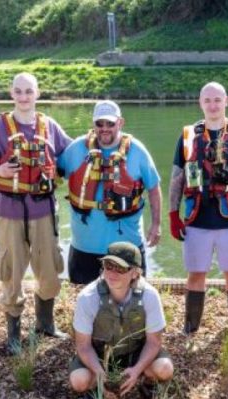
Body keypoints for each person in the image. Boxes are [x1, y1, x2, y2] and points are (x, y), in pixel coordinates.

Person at [0, 72, 72, 350]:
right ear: (11, 93)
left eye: (29, 91)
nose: (24, 97)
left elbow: (72, 155)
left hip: (43, 209)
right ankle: (14, 335)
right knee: (11, 271)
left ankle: (45, 324)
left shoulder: (49, 126)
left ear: (37, 94)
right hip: (9, 209)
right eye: (18, 91)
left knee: (49, 267)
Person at [168, 81, 228, 336]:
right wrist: (173, 214)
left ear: (226, 101)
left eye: (217, 100)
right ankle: (190, 330)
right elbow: (177, 177)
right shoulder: (188, 135)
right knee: (195, 275)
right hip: (196, 219)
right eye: (207, 100)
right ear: (200, 103)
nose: (213, 105)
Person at [56, 100, 161, 285]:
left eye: (110, 123)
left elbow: (153, 188)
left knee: (131, 298)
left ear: (120, 123)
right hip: (84, 247)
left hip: (127, 248)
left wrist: (156, 224)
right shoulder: (76, 148)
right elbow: (53, 175)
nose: (104, 128)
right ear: (93, 124)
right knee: (84, 298)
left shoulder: (137, 151)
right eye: (99, 123)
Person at [68, 241, 174, 399]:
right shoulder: (88, 297)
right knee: (79, 381)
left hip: (136, 353)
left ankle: (147, 382)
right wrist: (98, 372)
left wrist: (137, 369)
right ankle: (96, 389)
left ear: (135, 273)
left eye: (120, 268)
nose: (112, 273)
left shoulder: (150, 296)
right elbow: (83, 346)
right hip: (99, 356)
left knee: (164, 368)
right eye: (108, 266)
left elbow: (154, 342)